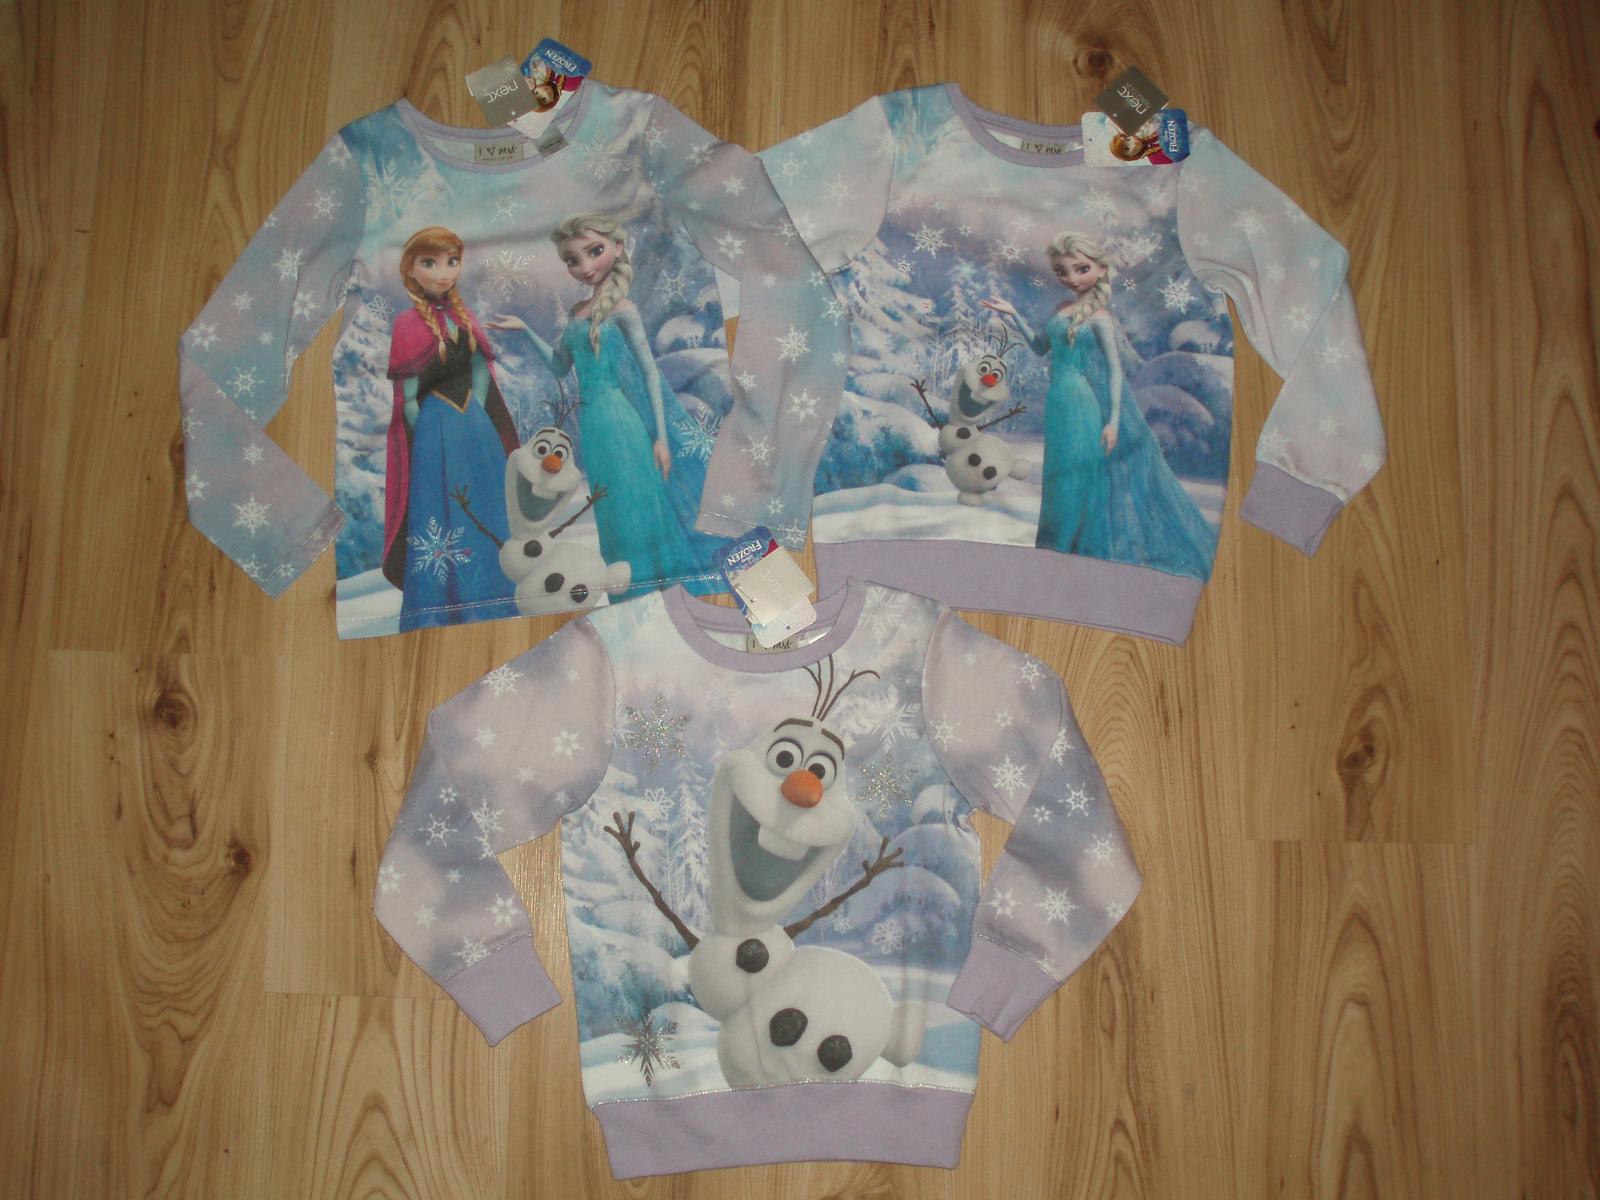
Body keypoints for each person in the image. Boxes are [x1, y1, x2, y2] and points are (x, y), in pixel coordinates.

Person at [489, 213, 722, 598]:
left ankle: (658, 582)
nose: (584, 266)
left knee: (637, 499)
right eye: (572, 259)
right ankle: (628, 588)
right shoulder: (576, 313)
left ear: (617, 247)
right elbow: (559, 366)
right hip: (594, 426)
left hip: (621, 420)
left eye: (593, 252)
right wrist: (525, 329)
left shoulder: (624, 310)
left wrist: (662, 439)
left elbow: (649, 374)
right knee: (612, 507)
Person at [984, 232, 1216, 578]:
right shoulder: (1060, 310)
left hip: (1083, 403)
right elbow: (1039, 347)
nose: (1071, 278)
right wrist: (1013, 313)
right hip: (1059, 403)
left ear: (1101, 269)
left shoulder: (1100, 318)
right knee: (1058, 475)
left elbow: (1113, 370)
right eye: (1062, 271)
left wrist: (1113, 421)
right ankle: (1053, 549)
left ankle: (1080, 550)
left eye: (1081, 269)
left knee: (1080, 473)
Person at [382, 226, 520, 628]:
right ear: (410, 269)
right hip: (435, 433)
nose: (444, 272)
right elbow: (408, 396)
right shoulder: (407, 324)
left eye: (452, 262)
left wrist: (476, 415)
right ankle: (444, 606)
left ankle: (493, 598)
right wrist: (428, 430)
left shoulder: (464, 316)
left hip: (474, 429)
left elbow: (480, 373)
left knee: (485, 508)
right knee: (441, 514)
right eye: (431, 263)